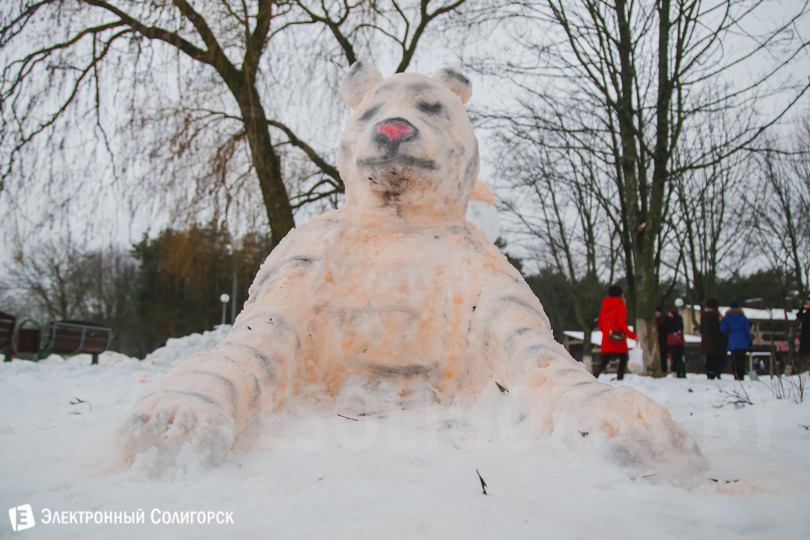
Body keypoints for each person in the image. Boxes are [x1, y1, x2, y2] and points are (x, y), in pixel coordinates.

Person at [595, 285, 638, 380]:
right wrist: (633, 336)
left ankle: (593, 376)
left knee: (605, 361)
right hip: (619, 338)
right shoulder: (621, 306)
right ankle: (620, 377)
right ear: (620, 294)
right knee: (623, 358)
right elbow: (622, 324)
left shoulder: (604, 307)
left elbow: (600, 325)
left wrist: (607, 333)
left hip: (607, 337)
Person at [720, 300, 753, 380]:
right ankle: (741, 374)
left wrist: (728, 332)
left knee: (734, 359)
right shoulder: (743, 317)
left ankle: (735, 374)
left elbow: (722, 328)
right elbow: (747, 331)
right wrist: (750, 342)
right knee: (741, 359)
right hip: (743, 341)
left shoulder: (727, 318)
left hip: (732, 341)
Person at [700, 297, 725, 379]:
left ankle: (708, 372)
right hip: (714, 341)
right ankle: (714, 372)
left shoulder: (703, 315)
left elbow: (701, 328)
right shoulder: (715, 315)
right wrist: (719, 340)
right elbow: (716, 328)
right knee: (714, 358)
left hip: (706, 340)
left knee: (708, 357)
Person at [666, 308, 687, 378]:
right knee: (680, 358)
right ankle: (682, 372)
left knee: (675, 359)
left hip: (674, 343)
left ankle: (677, 372)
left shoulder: (672, 321)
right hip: (679, 342)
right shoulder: (679, 320)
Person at [796, 296, 810, 373]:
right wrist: (802, 308)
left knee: (804, 352)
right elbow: (799, 315)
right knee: (803, 352)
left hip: (807, 335)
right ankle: (804, 369)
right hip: (805, 336)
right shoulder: (807, 313)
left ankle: (805, 369)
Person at [655, 307, 669, 374]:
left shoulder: (665, 320)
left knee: (663, 356)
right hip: (657, 340)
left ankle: (664, 371)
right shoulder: (655, 320)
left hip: (663, 340)